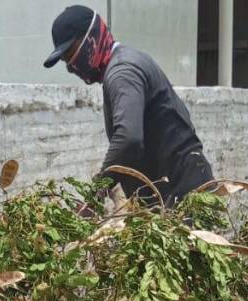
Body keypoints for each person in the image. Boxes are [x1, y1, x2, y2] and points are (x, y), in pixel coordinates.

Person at [44, 5, 214, 207]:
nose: (71, 66)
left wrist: (95, 195)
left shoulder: (121, 73)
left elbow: (128, 138)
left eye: (72, 53)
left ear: (92, 38)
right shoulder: (124, 62)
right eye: (66, 60)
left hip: (181, 189)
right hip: (175, 186)